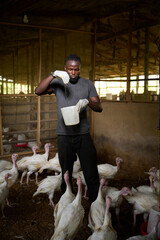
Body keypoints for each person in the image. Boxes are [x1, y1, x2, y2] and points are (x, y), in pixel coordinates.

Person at [35, 54, 103, 203]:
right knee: (66, 173)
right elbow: (38, 91)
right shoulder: (59, 83)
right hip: (64, 135)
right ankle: (67, 205)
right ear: (65, 69)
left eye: (76, 69)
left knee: (91, 173)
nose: (73, 72)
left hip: (83, 134)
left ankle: (95, 208)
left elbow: (99, 107)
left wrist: (88, 102)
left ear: (79, 70)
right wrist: (53, 75)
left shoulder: (87, 84)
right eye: (70, 69)